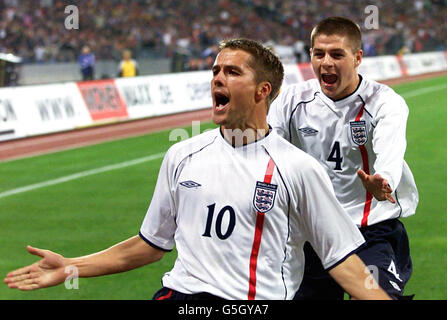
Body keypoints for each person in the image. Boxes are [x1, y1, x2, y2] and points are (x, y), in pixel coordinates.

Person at [3, 38, 390, 300]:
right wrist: (71, 266)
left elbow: (343, 261)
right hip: (180, 297)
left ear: (263, 91)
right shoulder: (182, 155)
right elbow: (150, 245)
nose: (218, 78)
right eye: (216, 71)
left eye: (233, 72)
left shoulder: (298, 169)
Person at [268, 17, 419, 300]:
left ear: (357, 57)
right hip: (314, 235)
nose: (326, 62)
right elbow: (266, 150)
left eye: (337, 54)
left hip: (369, 230)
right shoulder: (290, 100)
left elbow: (391, 150)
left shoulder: (385, 103)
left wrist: (383, 180)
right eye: (319, 54)